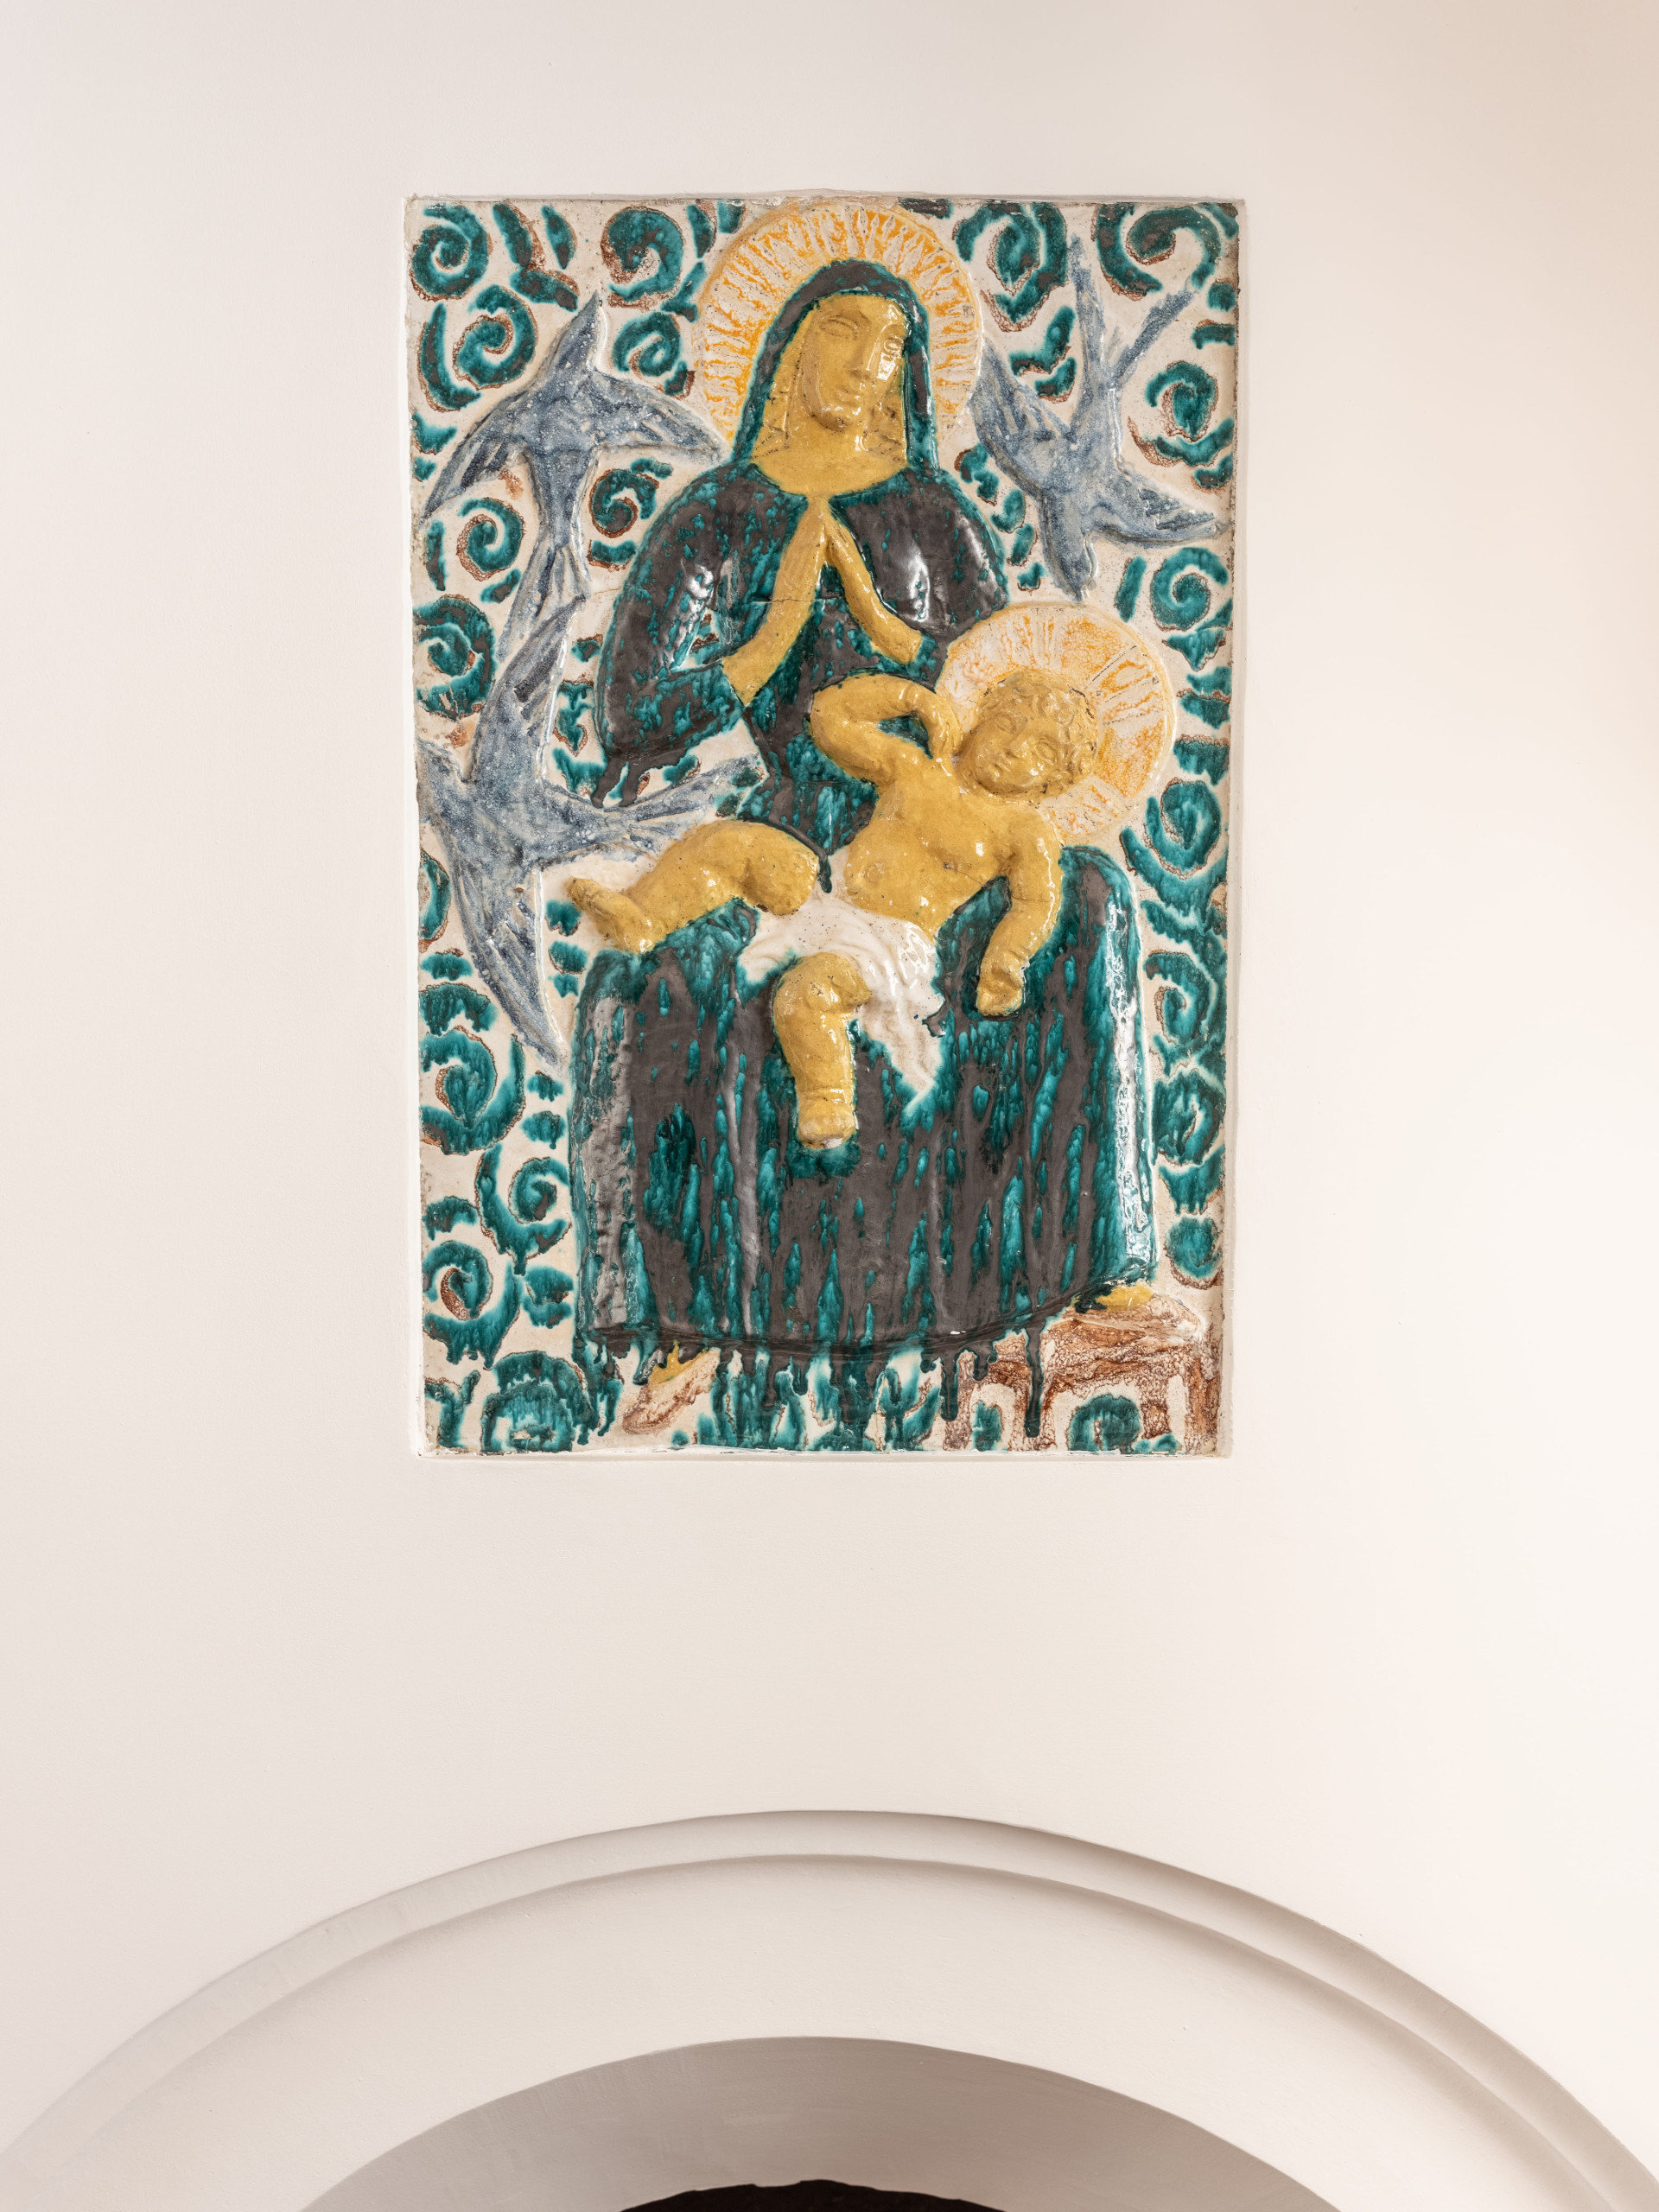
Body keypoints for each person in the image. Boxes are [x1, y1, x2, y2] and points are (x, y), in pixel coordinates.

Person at [566, 664, 1098, 1147]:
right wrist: (914, 700)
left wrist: (1004, 963)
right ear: (980, 718)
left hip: (886, 943)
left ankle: (828, 1101)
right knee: (731, 844)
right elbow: (831, 718)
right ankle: (642, 918)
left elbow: (1035, 903)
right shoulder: (915, 767)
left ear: (1053, 783)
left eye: (1040, 752)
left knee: (807, 997)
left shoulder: (1023, 831)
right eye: (1007, 726)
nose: (1014, 749)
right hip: (827, 892)